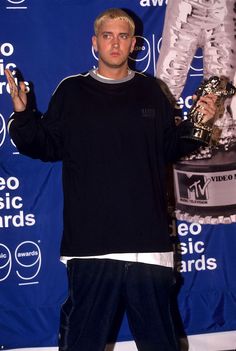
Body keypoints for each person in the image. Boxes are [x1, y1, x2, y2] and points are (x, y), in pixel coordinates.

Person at [5, 8, 216, 351]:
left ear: (134, 44)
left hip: (148, 245)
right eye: (107, 36)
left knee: (161, 343)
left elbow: (169, 149)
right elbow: (44, 146)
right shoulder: (72, 92)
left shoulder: (152, 92)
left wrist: (199, 124)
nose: (115, 43)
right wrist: (23, 115)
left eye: (122, 36)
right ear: (95, 43)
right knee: (82, 343)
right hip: (91, 246)